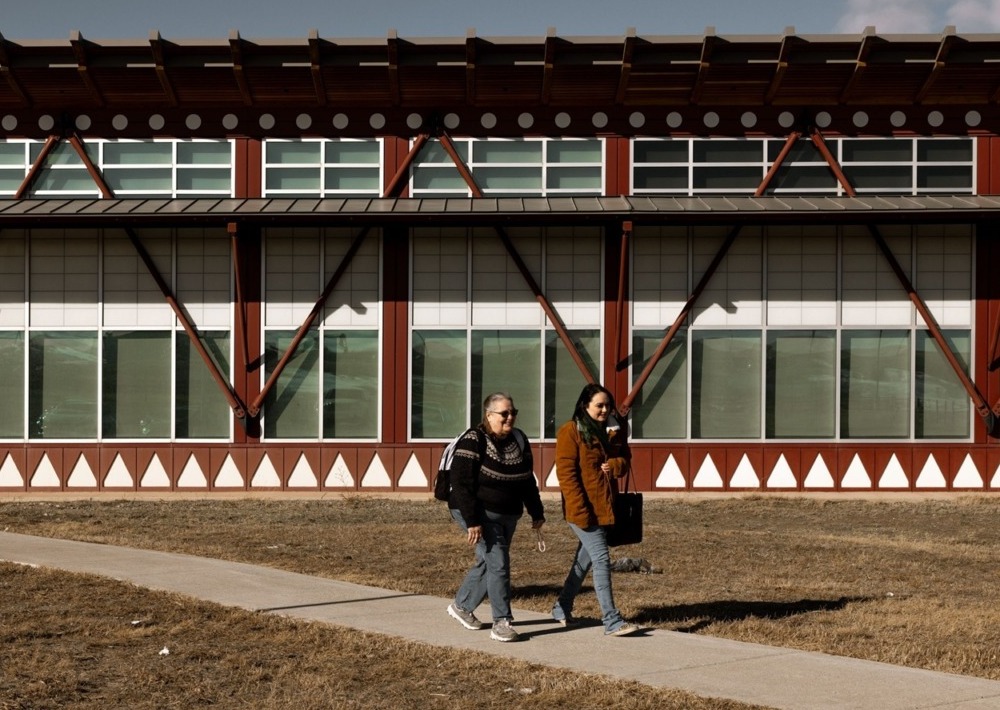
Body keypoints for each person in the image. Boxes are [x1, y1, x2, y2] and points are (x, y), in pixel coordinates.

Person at [446, 392, 545, 642]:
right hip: (478, 512)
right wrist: (472, 521)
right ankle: (502, 622)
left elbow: (527, 482)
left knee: (489, 562)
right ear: (489, 415)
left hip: (508, 513)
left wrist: (537, 513)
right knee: (499, 563)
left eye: (513, 412)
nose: (510, 417)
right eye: (504, 413)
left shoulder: (519, 440)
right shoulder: (473, 439)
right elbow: (461, 483)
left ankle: (461, 606)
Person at [551, 383, 640, 636]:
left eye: (607, 405)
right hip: (582, 510)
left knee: (585, 560)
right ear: (584, 405)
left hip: (604, 507)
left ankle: (561, 607)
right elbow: (566, 475)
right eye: (599, 405)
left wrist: (614, 464)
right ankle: (611, 620)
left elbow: (625, 461)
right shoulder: (571, 431)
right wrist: (579, 510)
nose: (604, 410)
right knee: (601, 559)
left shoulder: (611, 430)